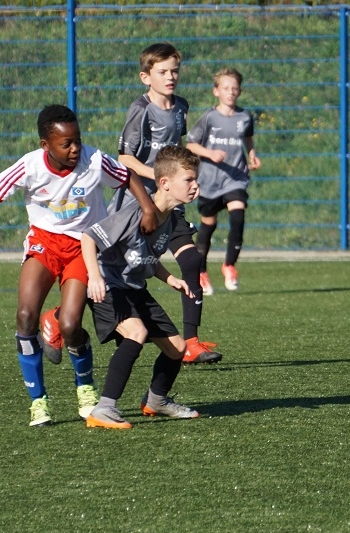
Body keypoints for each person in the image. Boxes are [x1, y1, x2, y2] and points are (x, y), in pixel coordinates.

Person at [0, 104, 159, 427]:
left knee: (71, 325)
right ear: (45, 145)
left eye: (78, 140)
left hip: (83, 246)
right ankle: (38, 402)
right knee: (25, 316)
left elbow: (126, 176)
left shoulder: (94, 160)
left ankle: (85, 388)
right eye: (66, 143)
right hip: (44, 244)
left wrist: (147, 208)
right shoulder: (29, 167)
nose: (75, 148)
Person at [108, 41, 223, 365]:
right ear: (146, 77)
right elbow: (124, 158)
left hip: (171, 202)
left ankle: (191, 343)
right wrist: (160, 176)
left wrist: (184, 178)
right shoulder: (141, 110)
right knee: (115, 271)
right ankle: (60, 317)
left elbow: (178, 150)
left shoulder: (181, 106)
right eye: (163, 72)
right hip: (139, 203)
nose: (171, 77)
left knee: (192, 261)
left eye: (175, 71)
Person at [81, 145, 204, 429]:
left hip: (134, 287)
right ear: (165, 183)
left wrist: (170, 278)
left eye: (196, 179)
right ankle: (104, 408)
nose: (195, 185)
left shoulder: (170, 219)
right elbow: (89, 238)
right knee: (136, 332)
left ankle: (156, 400)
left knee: (177, 348)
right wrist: (94, 277)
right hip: (109, 285)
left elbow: (146, 258)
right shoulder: (135, 212)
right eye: (188, 179)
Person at [185, 67, 262, 295]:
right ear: (216, 91)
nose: (231, 92)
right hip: (210, 181)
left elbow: (247, 137)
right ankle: (201, 272)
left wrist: (252, 154)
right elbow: (191, 144)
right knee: (208, 226)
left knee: (238, 216)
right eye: (226, 88)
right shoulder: (209, 117)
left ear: (240, 91)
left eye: (235, 88)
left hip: (235, 178)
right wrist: (209, 153)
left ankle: (229, 265)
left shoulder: (244, 117)